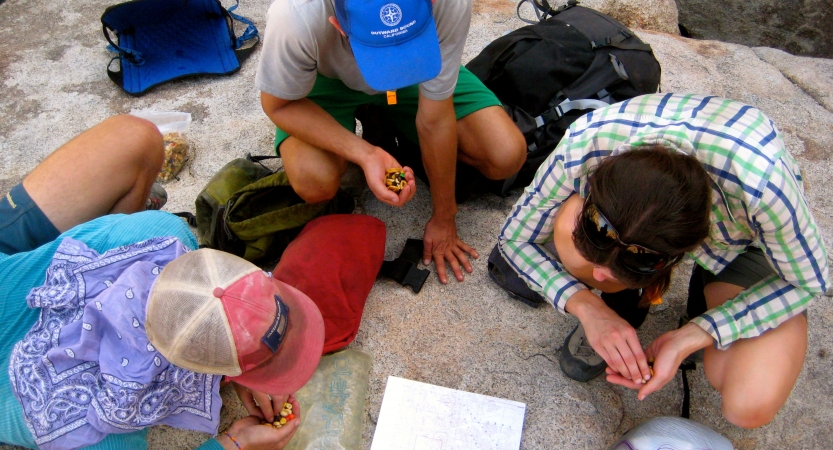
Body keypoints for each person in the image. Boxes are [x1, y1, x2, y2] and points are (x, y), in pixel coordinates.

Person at [497, 93, 830, 428]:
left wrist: (700, 332)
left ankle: (702, 291)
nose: (598, 274)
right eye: (599, 228)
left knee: (748, 404)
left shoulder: (763, 185)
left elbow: (810, 278)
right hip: (678, 220)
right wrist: (587, 306)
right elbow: (515, 237)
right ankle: (625, 303)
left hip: (744, 241)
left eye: (640, 260)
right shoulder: (589, 138)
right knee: (572, 236)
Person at [0, 115, 324, 450]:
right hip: (13, 378)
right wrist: (233, 443)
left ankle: (110, 208)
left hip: (8, 271)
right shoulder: (96, 430)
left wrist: (234, 360)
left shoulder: (158, 232)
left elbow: (199, 307)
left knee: (134, 137)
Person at [255, 0, 526, 284]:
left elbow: (435, 119)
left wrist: (444, 215)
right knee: (314, 182)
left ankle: (385, 114)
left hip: (416, 67)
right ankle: (373, 114)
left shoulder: (450, 2)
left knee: (505, 155)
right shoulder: (296, 14)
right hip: (325, 79)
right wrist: (366, 153)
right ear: (337, 25)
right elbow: (279, 105)